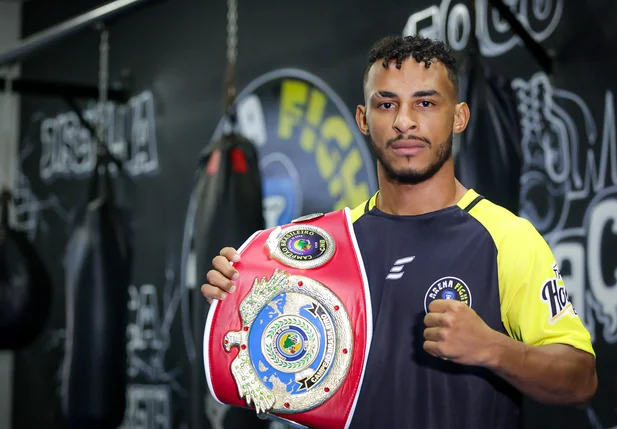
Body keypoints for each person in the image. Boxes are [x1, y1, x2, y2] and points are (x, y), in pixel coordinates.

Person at [201, 35, 597, 429]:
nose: (404, 121)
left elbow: (580, 380)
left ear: (459, 117)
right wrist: (234, 297)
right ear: (363, 119)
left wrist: (493, 348)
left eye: (425, 103)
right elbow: (279, 362)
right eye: (387, 104)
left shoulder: (506, 238)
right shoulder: (334, 244)